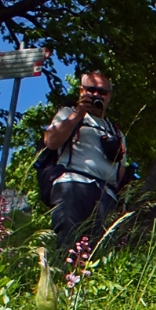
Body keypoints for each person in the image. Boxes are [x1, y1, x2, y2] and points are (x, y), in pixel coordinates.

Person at [43, 71, 126, 252]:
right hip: (72, 185)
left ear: (109, 97)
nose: (96, 95)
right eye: (91, 90)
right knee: (67, 243)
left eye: (102, 92)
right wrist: (79, 113)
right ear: (82, 92)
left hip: (106, 194)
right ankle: (62, 278)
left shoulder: (116, 131)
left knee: (99, 250)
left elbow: (121, 172)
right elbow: (51, 141)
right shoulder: (68, 114)